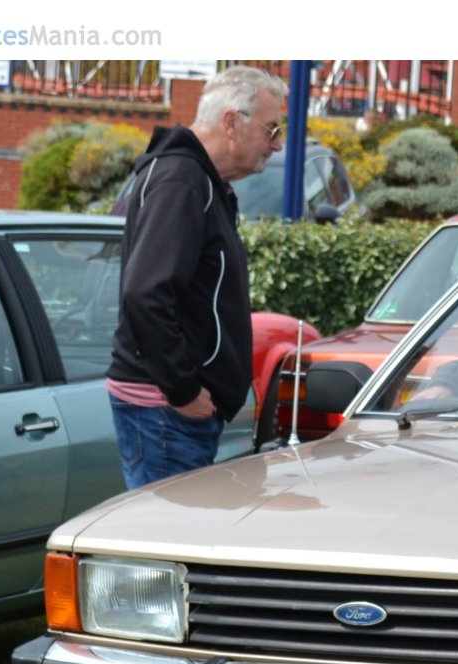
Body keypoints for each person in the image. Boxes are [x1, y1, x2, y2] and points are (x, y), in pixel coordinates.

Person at [106, 64, 287, 489]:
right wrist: (184, 390)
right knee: (168, 543)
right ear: (231, 122)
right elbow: (146, 293)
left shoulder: (197, 180)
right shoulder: (182, 180)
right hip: (166, 413)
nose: (276, 145)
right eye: (271, 129)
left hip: (168, 413)